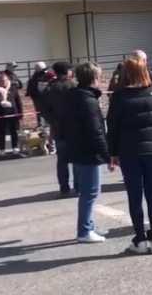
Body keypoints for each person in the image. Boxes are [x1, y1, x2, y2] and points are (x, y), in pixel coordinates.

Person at [107, 55, 152, 254]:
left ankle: (140, 239)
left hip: (129, 150)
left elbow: (112, 126)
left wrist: (112, 153)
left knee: (135, 196)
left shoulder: (119, 96)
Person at [63, 62, 109, 243]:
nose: (101, 80)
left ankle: (88, 225)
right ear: (94, 78)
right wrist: (107, 154)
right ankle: (84, 231)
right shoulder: (87, 100)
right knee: (90, 193)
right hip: (88, 151)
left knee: (87, 192)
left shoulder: (75, 96)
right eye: (99, 77)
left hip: (78, 148)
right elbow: (95, 131)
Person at [42, 61, 78, 197]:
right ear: (67, 72)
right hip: (74, 128)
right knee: (77, 158)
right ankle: (78, 186)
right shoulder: (73, 85)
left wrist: (53, 122)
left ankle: (64, 187)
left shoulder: (49, 88)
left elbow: (45, 111)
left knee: (62, 160)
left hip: (58, 128)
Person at [0, 72, 23, 154]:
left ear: (8, 80)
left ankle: (15, 147)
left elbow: (18, 101)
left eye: (5, 80)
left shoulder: (13, 88)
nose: (3, 82)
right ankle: (2, 150)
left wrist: (20, 113)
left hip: (12, 113)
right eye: (1, 81)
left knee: (14, 131)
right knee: (1, 132)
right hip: (0, 114)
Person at [26, 61, 50, 128]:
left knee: (45, 110)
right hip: (37, 96)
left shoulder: (47, 74)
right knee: (39, 111)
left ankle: (46, 124)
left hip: (44, 96)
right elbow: (31, 86)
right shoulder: (35, 76)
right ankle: (41, 124)